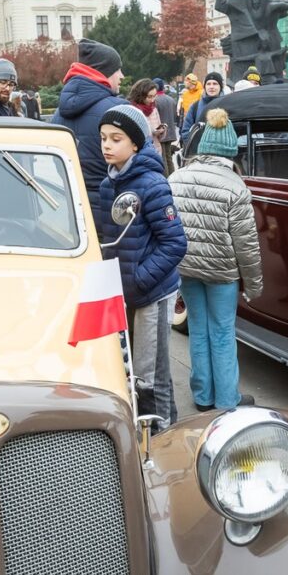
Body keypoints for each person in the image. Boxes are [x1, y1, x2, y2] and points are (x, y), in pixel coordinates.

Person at [97, 104, 186, 431]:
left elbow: (175, 242)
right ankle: (141, 431)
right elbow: (110, 238)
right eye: (104, 138)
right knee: (128, 367)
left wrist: (140, 279)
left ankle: (164, 436)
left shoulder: (152, 183)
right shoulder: (108, 185)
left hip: (152, 293)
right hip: (123, 294)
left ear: (135, 143)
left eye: (116, 139)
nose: (107, 145)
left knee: (153, 374)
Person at [169, 107, 261, 411]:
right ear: (231, 150)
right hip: (222, 273)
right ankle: (226, 399)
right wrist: (254, 285)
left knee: (198, 327)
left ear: (205, 145)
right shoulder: (236, 187)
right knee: (222, 332)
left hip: (187, 267)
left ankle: (202, 396)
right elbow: (246, 244)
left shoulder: (177, 178)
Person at [53, 38, 125, 215]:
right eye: (117, 70)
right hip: (115, 213)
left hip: (74, 211)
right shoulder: (119, 110)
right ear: (105, 72)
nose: (122, 76)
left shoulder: (56, 116)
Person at [180, 72, 225, 143]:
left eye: (215, 84)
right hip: (199, 151)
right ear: (205, 86)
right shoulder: (195, 106)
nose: (211, 87)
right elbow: (186, 131)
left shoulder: (227, 104)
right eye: (208, 84)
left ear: (221, 86)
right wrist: (194, 147)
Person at [153, 78, 179, 174]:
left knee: (163, 158)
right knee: (169, 158)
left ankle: (167, 179)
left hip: (162, 133)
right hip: (171, 131)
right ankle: (172, 177)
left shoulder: (155, 101)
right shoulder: (171, 99)